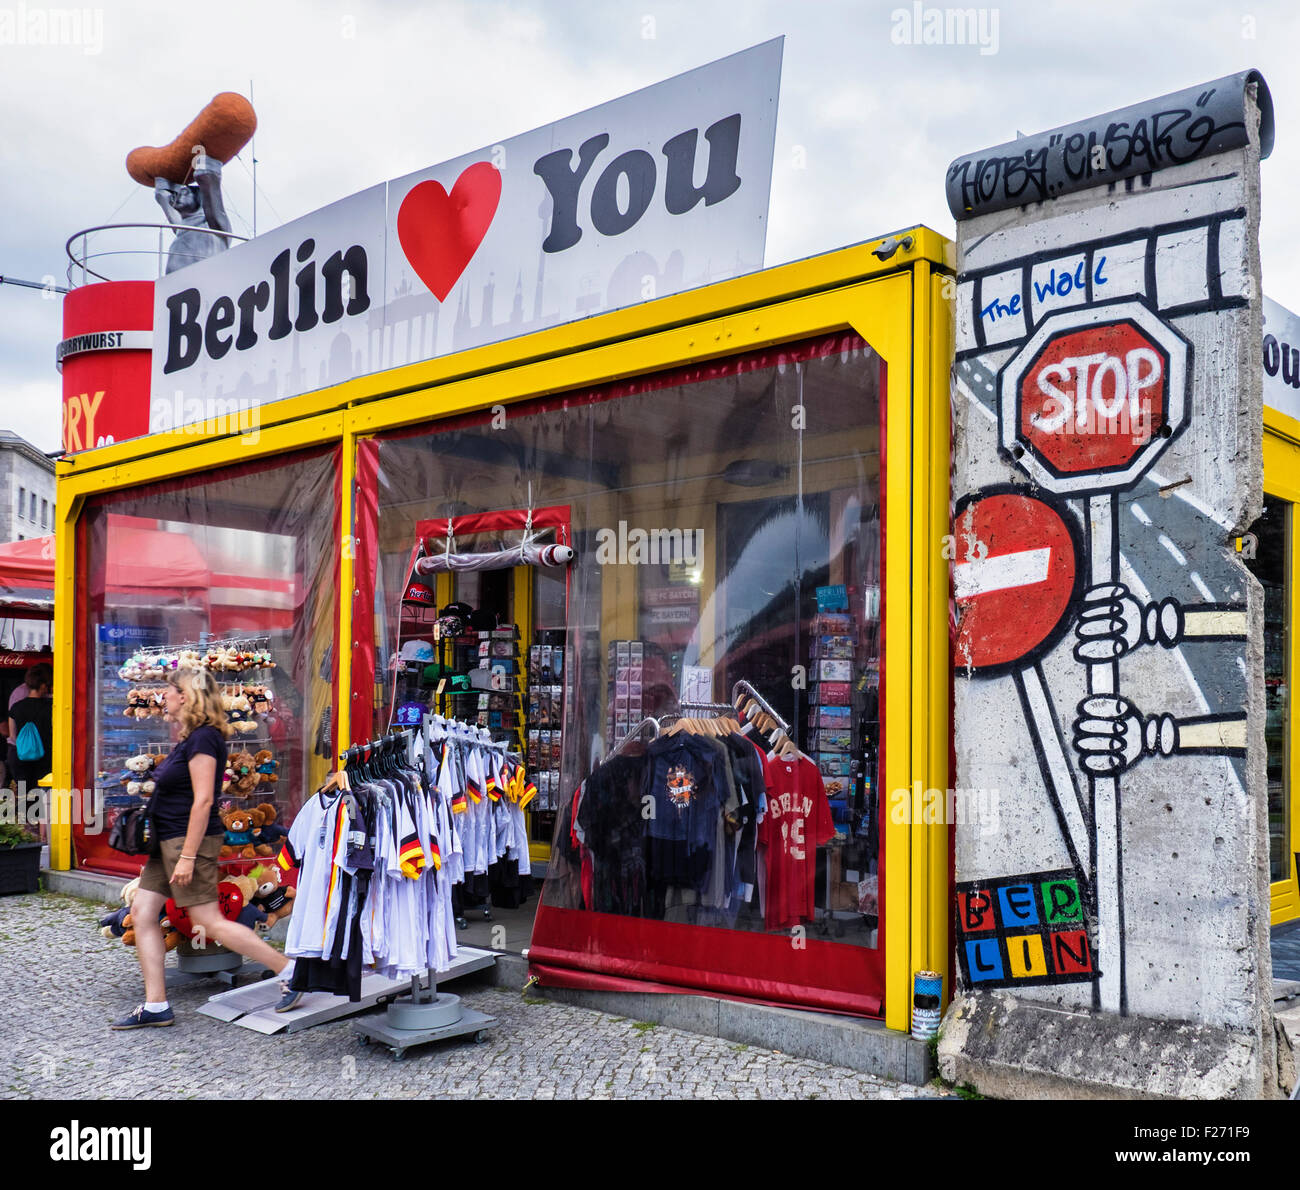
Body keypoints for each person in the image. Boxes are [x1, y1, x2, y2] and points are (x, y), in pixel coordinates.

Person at [111, 667, 302, 1028]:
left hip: (187, 842)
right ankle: (155, 1006)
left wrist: (186, 857)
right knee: (144, 910)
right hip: (168, 840)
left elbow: (203, 801)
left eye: (168, 690)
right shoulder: (191, 739)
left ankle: (289, 971)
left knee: (208, 919)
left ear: (186, 695)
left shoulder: (204, 739)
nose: (162, 697)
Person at [8, 664, 52, 823]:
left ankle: (25, 830)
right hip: (44, 760)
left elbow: (13, 736)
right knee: (43, 798)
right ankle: (42, 833)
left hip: (20, 758)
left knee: (23, 795)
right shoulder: (51, 708)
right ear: (42, 686)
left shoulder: (16, 707)